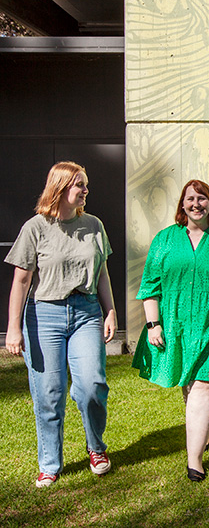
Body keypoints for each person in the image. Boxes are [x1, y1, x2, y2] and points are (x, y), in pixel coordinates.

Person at [132, 179, 209, 482]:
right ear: (182, 205)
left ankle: (194, 459)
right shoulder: (165, 239)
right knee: (188, 382)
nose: (196, 204)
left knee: (203, 384)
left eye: (202, 198)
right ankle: (201, 432)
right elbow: (150, 285)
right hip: (175, 323)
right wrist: (153, 324)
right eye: (190, 198)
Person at [5, 161, 116, 488]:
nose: (85, 191)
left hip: (86, 311)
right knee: (48, 394)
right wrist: (13, 327)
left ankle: (96, 447)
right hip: (44, 315)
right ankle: (50, 464)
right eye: (79, 185)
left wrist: (110, 311)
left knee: (92, 386)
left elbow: (102, 273)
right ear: (60, 188)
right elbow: (21, 281)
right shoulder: (35, 228)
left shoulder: (94, 225)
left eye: (85, 185)